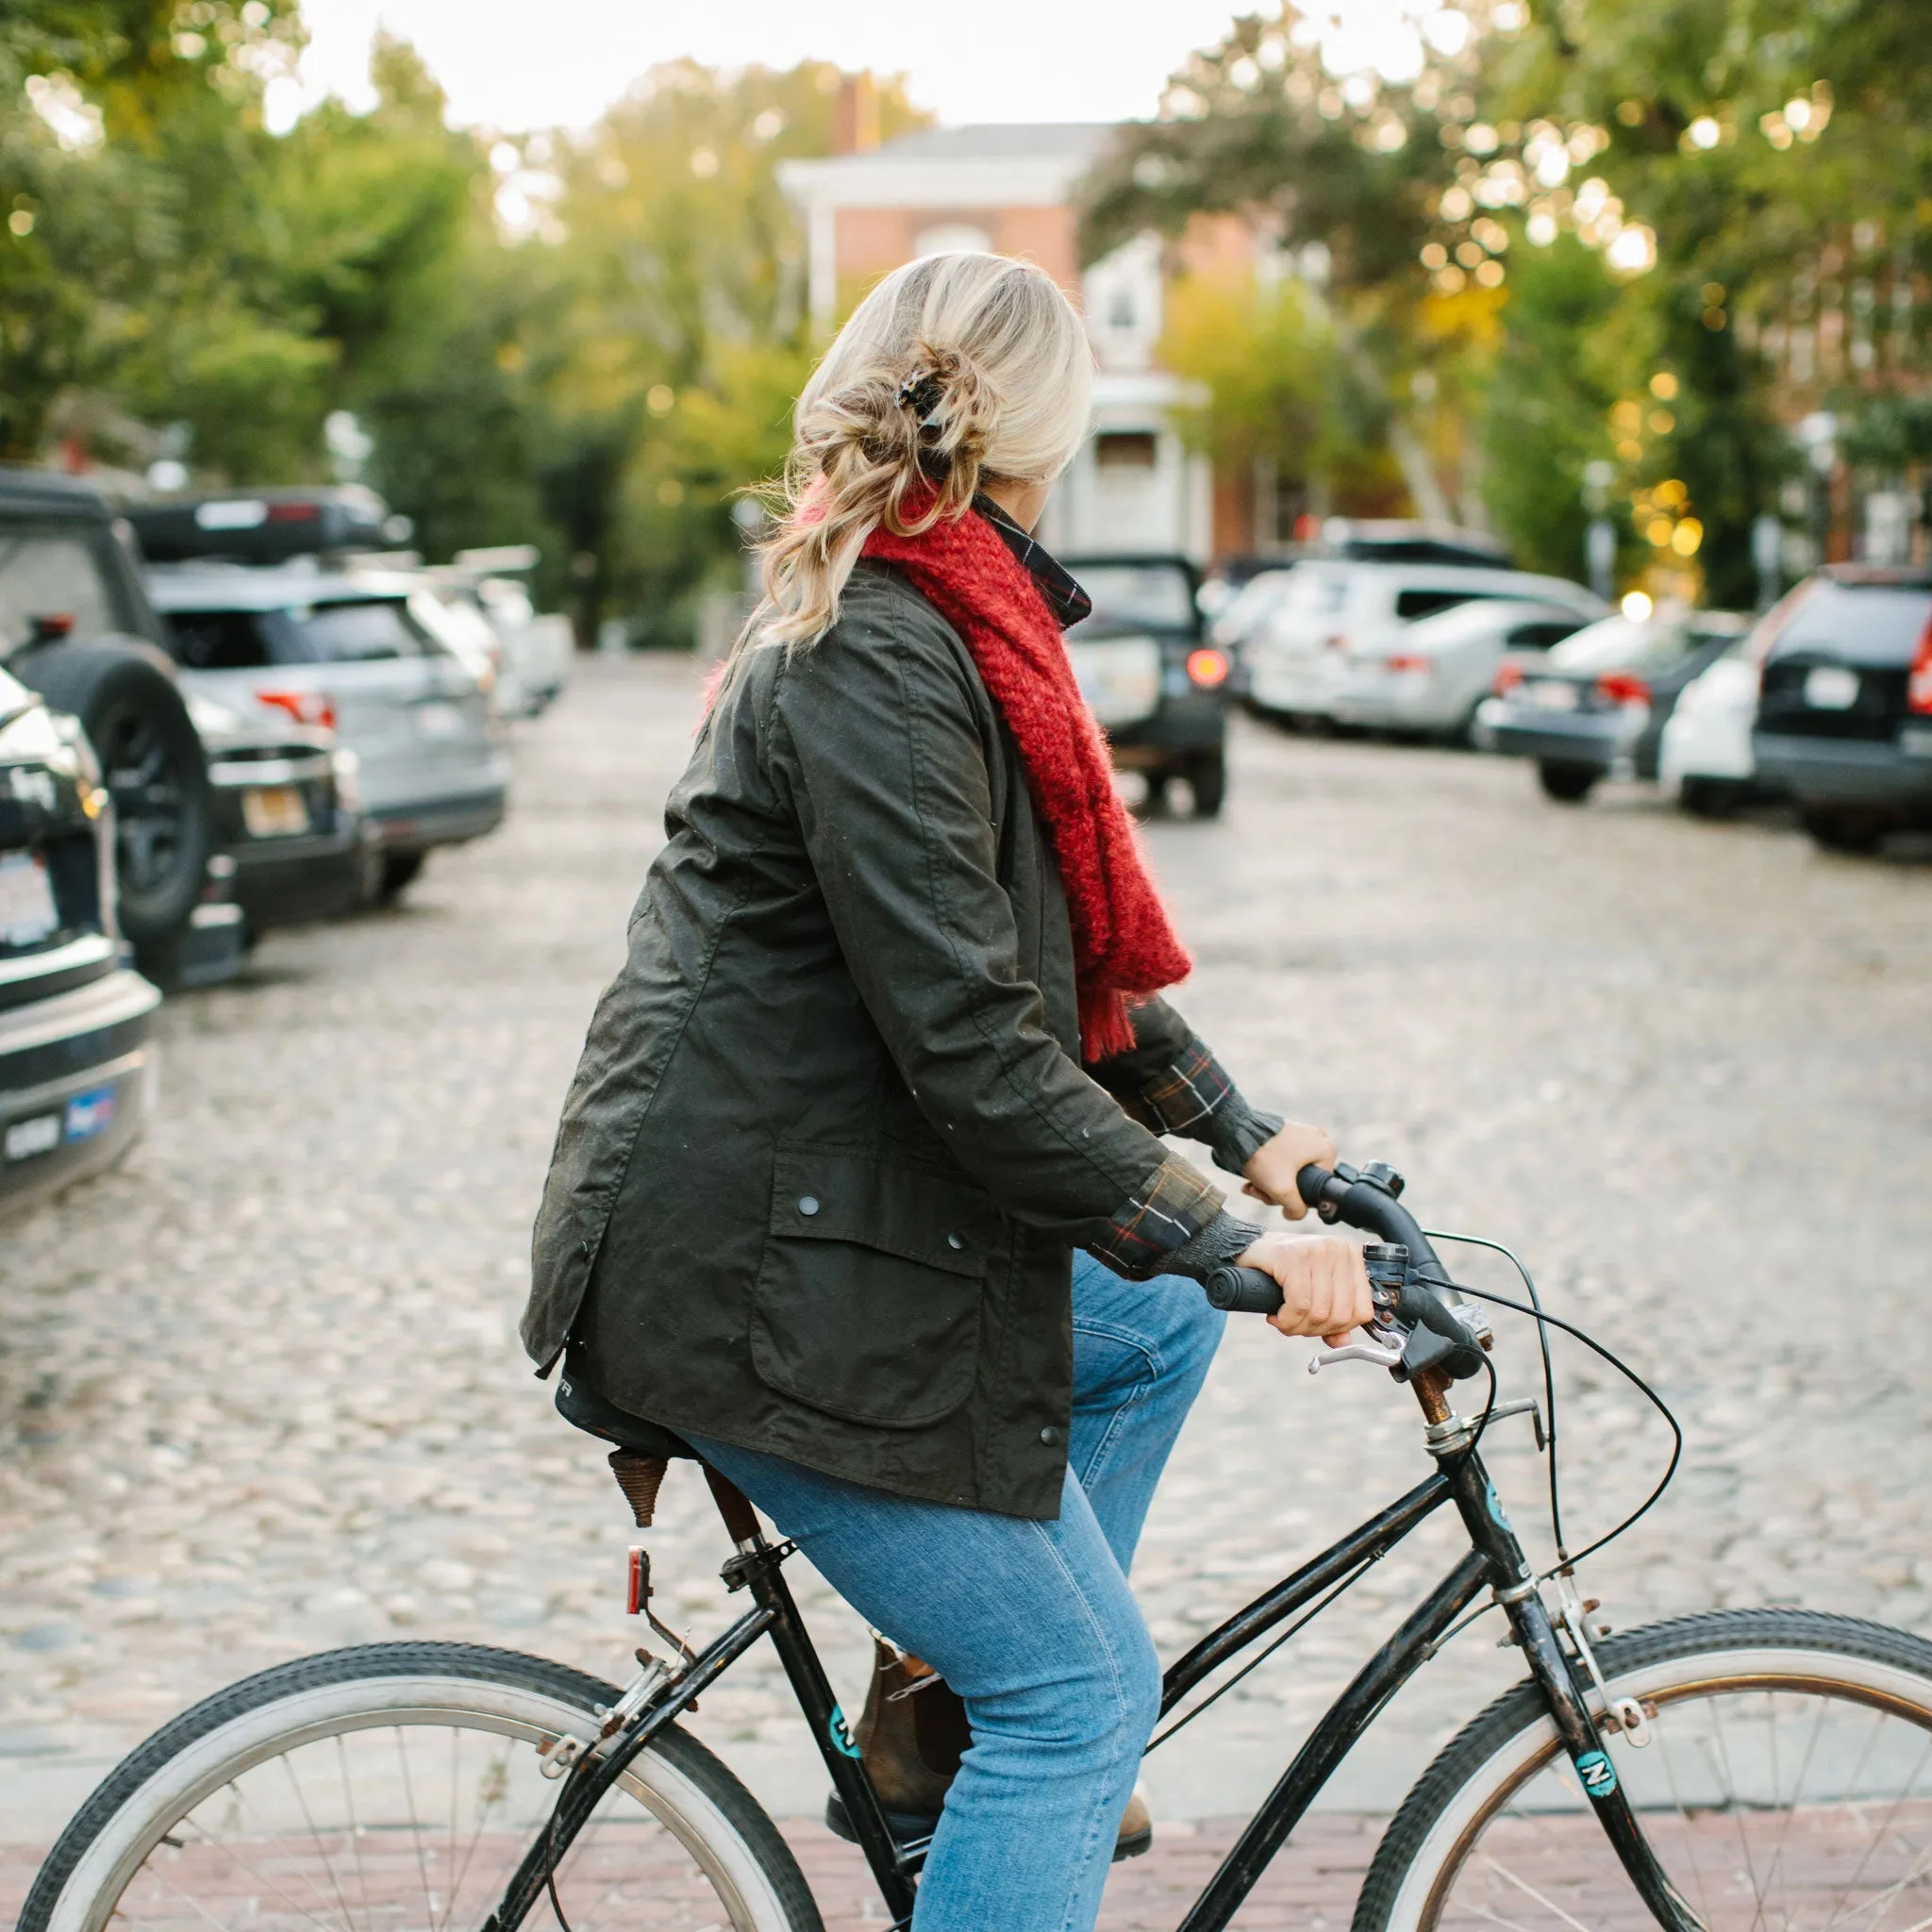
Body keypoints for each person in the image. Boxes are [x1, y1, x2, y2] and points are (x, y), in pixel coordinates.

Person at [523, 250, 1372, 1931]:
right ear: (1046, 439)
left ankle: (935, 1715)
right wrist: (1224, 1236)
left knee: (1150, 1331)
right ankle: (1005, 1717)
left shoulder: (953, 624)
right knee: (1083, 1696)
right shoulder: (883, 654)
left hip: (808, 1227)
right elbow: (983, 1055)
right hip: (743, 1275)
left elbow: (1058, 973)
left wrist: (1245, 1137)